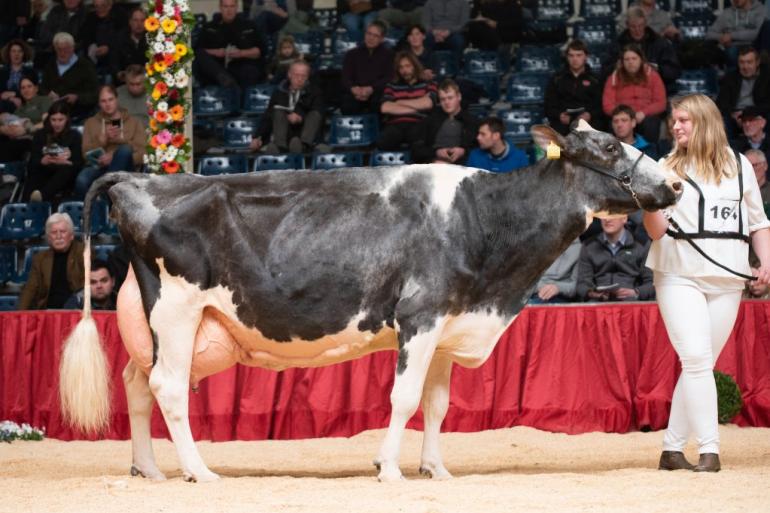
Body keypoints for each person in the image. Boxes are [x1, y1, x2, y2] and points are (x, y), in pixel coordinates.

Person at [642, 94, 770, 472]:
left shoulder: (740, 165)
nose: (676, 127)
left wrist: (765, 261)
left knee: (700, 363)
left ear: (705, 122)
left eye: (684, 120)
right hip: (678, 273)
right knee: (696, 359)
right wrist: (649, 203)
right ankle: (710, 450)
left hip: (728, 275)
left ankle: (671, 449)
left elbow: (757, 220)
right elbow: (657, 230)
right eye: (674, 121)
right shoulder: (665, 166)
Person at [75, 84, 144, 199]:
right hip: (99, 167)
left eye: (110, 99)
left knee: (124, 150)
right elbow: (85, 154)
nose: (107, 104)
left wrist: (115, 157)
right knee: (82, 179)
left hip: (126, 169)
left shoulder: (134, 122)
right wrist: (103, 140)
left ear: (117, 99)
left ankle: (105, 194)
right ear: (98, 103)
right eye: (103, 101)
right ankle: (93, 210)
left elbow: (142, 153)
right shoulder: (90, 123)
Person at [250, 59, 324, 154]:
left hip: (304, 131)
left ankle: (304, 146)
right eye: (297, 75)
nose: (300, 79)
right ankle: (280, 147)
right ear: (289, 75)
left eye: (303, 76)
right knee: (277, 111)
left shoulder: (315, 92)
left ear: (308, 77)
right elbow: (268, 116)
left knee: (315, 114)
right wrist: (258, 137)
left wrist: (300, 118)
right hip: (285, 132)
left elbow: (319, 114)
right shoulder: (279, 91)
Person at [576, 215, 655, 302]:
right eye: (604, 215)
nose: (607, 219)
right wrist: (592, 294)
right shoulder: (589, 246)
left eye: (612, 215)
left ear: (624, 218)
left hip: (631, 304)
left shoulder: (641, 244)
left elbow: (652, 283)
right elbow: (582, 284)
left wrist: (635, 292)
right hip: (598, 305)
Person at [18, 212, 85, 310]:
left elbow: (87, 285)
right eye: (54, 232)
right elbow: (30, 289)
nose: (58, 236)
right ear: (49, 238)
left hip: (76, 310)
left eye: (63, 231)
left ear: (71, 236)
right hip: (48, 311)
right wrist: (19, 315)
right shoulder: (40, 259)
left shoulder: (83, 252)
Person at [603, 44, 667, 143]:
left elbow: (661, 103)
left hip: (645, 117)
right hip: (623, 116)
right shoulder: (614, 78)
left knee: (652, 123)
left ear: (641, 60)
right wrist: (624, 115)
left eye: (634, 58)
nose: (630, 62)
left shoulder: (653, 76)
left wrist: (643, 112)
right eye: (627, 59)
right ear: (622, 62)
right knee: (615, 123)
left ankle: (649, 154)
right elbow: (607, 105)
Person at [195, 0, 266, 88]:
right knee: (200, 57)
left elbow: (260, 50)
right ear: (220, 8)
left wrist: (241, 53)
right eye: (226, 6)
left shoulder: (249, 25)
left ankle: (230, 84)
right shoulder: (209, 27)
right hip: (216, 69)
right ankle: (225, 79)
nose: (229, 10)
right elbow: (198, 50)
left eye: (232, 6)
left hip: (241, 66)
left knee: (250, 71)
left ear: (236, 8)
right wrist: (215, 52)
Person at [23, 100, 82, 202]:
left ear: (67, 119)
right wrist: (43, 160)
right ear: (49, 119)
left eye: (60, 120)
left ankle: (41, 196)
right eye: (53, 120)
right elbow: (32, 161)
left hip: (64, 174)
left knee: (67, 170)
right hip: (45, 169)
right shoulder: (40, 134)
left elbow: (78, 163)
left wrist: (67, 161)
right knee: (34, 173)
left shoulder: (74, 135)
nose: (57, 123)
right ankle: (27, 206)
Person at [376, 51, 436, 152]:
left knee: (420, 147)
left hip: (419, 123)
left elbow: (428, 103)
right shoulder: (392, 86)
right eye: (401, 67)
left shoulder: (428, 84)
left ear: (415, 66)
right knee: (382, 143)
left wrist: (398, 102)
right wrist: (416, 108)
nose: (404, 70)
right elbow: (385, 107)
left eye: (408, 66)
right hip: (395, 125)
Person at [544, 39, 603, 135]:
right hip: (562, 122)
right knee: (552, 144)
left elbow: (600, 105)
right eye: (571, 55)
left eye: (579, 55)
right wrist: (559, 115)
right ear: (567, 57)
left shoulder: (595, 79)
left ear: (586, 57)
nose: (575, 59)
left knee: (598, 133)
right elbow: (548, 105)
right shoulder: (556, 79)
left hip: (588, 122)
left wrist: (589, 114)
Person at [614, 6, 680, 92]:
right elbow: (605, 72)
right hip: (626, 91)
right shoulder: (618, 44)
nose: (637, 30)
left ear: (645, 23)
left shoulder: (660, 43)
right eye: (633, 27)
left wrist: (658, 69)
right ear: (627, 25)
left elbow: (675, 71)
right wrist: (617, 67)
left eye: (640, 26)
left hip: (655, 90)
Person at [413, 78, 478, 164]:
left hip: (462, 165)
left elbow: (480, 148)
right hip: (434, 164)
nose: (446, 102)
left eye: (450, 98)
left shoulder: (471, 121)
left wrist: (463, 151)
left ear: (459, 97)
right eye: (443, 99)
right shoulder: (430, 120)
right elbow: (416, 150)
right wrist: (436, 152)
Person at [39, 31, 100, 119]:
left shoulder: (86, 66)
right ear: (55, 49)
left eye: (66, 49)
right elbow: (42, 88)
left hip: (77, 111)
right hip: (51, 110)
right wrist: (48, 94)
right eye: (59, 49)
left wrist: (77, 98)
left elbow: (95, 93)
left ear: (73, 48)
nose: (63, 52)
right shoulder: (50, 65)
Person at [340, 20, 394, 114]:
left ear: (381, 39)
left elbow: (389, 77)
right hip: (355, 92)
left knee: (379, 103)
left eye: (375, 36)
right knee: (347, 104)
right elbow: (345, 77)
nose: (371, 38)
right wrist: (353, 88)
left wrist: (371, 89)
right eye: (369, 34)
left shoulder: (388, 55)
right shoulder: (351, 54)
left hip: (377, 92)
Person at [717, 47, 770, 140]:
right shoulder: (731, 77)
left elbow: (767, 104)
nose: (745, 67)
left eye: (749, 62)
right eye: (742, 62)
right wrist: (733, 115)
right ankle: (728, 152)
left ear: (757, 62)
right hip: (734, 115)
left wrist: (748, 114)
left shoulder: (767, 77)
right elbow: (721, 103)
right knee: (722, 121)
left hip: (758, 113)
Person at [706, 0, 765, 65]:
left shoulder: (760, 10)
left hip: (755, 45)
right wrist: (723, 37)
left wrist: (731, 36)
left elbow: (757, 33)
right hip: (733, 47)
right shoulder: (727, 13)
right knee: (731, 52)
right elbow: (709, 34)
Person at [528, 238, 581, 304]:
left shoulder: (579, 249)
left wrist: (558, 288)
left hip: (559, 297)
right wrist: (540, 287)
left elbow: (577, 287)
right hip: (531, 294)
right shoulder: (534, 245)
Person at [79, 0, 123, 73]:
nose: (100, 9)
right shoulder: (90, 17)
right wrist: (92, 45)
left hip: (114, 55)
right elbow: (84, 36)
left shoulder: (119, 17)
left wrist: (109, 47)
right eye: (96, 6)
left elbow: (122, 38)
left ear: (109, 6)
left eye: (103, 6)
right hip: (94, 55)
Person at [0, 39, 35, 114]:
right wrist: (11, 98)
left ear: (24, 54)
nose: (17, 54)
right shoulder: (2, 72)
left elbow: (34, 91)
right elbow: (2, 93)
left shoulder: (31, 72)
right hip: (4, 105)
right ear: (9, 53)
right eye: (13, 51)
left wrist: (14, 94)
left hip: (26, 103)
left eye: (20, 51)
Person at [111, 7, 148, 76]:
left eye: (142, 20)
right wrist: (119, 73)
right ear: (130, 22)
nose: (139, 24)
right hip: (125, 80)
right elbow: (114, 62)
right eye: (135, 20)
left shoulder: (151, 39)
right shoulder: (119, 38)